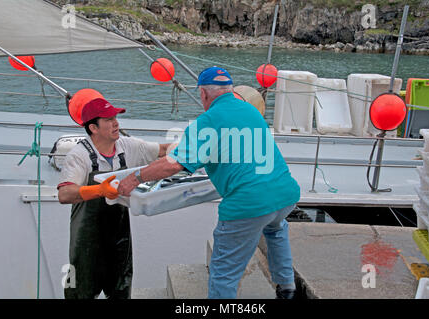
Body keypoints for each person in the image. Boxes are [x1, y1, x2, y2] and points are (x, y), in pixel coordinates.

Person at [117, 66, 301, 299]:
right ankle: (287, 290)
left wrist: (135, 177)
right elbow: (239, 150)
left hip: (248, 206)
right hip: (284, 195)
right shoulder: (250, 110)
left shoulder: (208, 120)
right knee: (276, 230)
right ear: (230, 90)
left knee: (224, 272)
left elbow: (174, 165)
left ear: (203, 94)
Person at [57, 96, 171, 299]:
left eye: (115, 117)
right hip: (87, 241)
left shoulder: (126, 146)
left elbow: (162, 150)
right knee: (80, 292)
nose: (116, 123)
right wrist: (99, 190)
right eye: (109, 119)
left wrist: (178, 150)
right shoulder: (79, 155)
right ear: (93, 128)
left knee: (120, 289)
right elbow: (65, 193)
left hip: (119, 238)